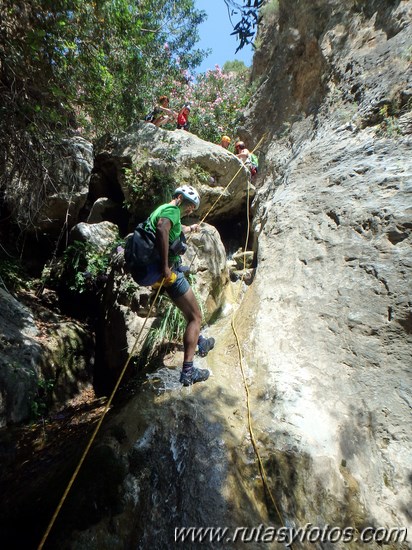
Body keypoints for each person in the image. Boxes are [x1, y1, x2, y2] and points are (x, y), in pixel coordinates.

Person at [124, 185, 214, 386]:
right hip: (165, 274)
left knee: (186, 309)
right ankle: (188, 372)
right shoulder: (171, 211)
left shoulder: (164, 209)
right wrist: (165, 266)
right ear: (180, 199)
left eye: (193, 208)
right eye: (190, 205)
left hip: (152, 274)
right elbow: (163, 228)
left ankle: (200, 341)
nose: (190, 210)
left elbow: (171, 226)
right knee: (195, 316)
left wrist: (189, 228)